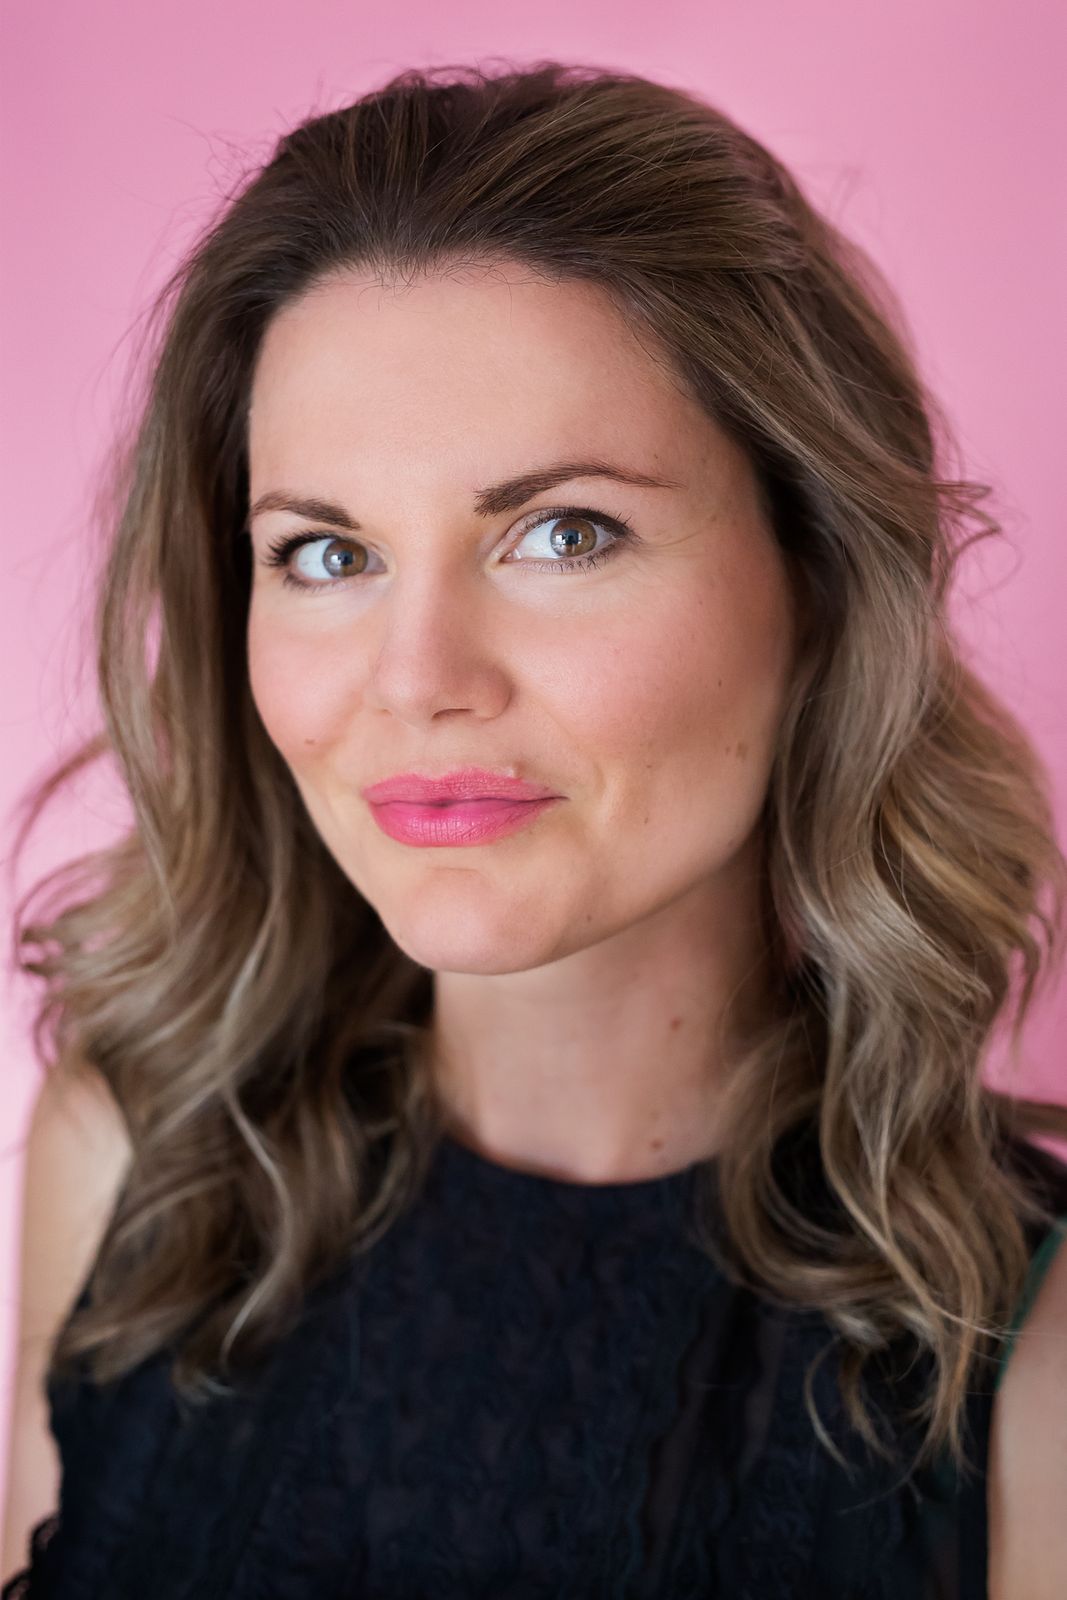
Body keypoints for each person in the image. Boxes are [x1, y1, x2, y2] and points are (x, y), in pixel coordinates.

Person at [3, 59, 1067, 1599]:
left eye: (564, 533)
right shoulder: (141, 1172)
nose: (417, 679)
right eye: (325, 554)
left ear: (823, 578)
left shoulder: (1029, 1353)